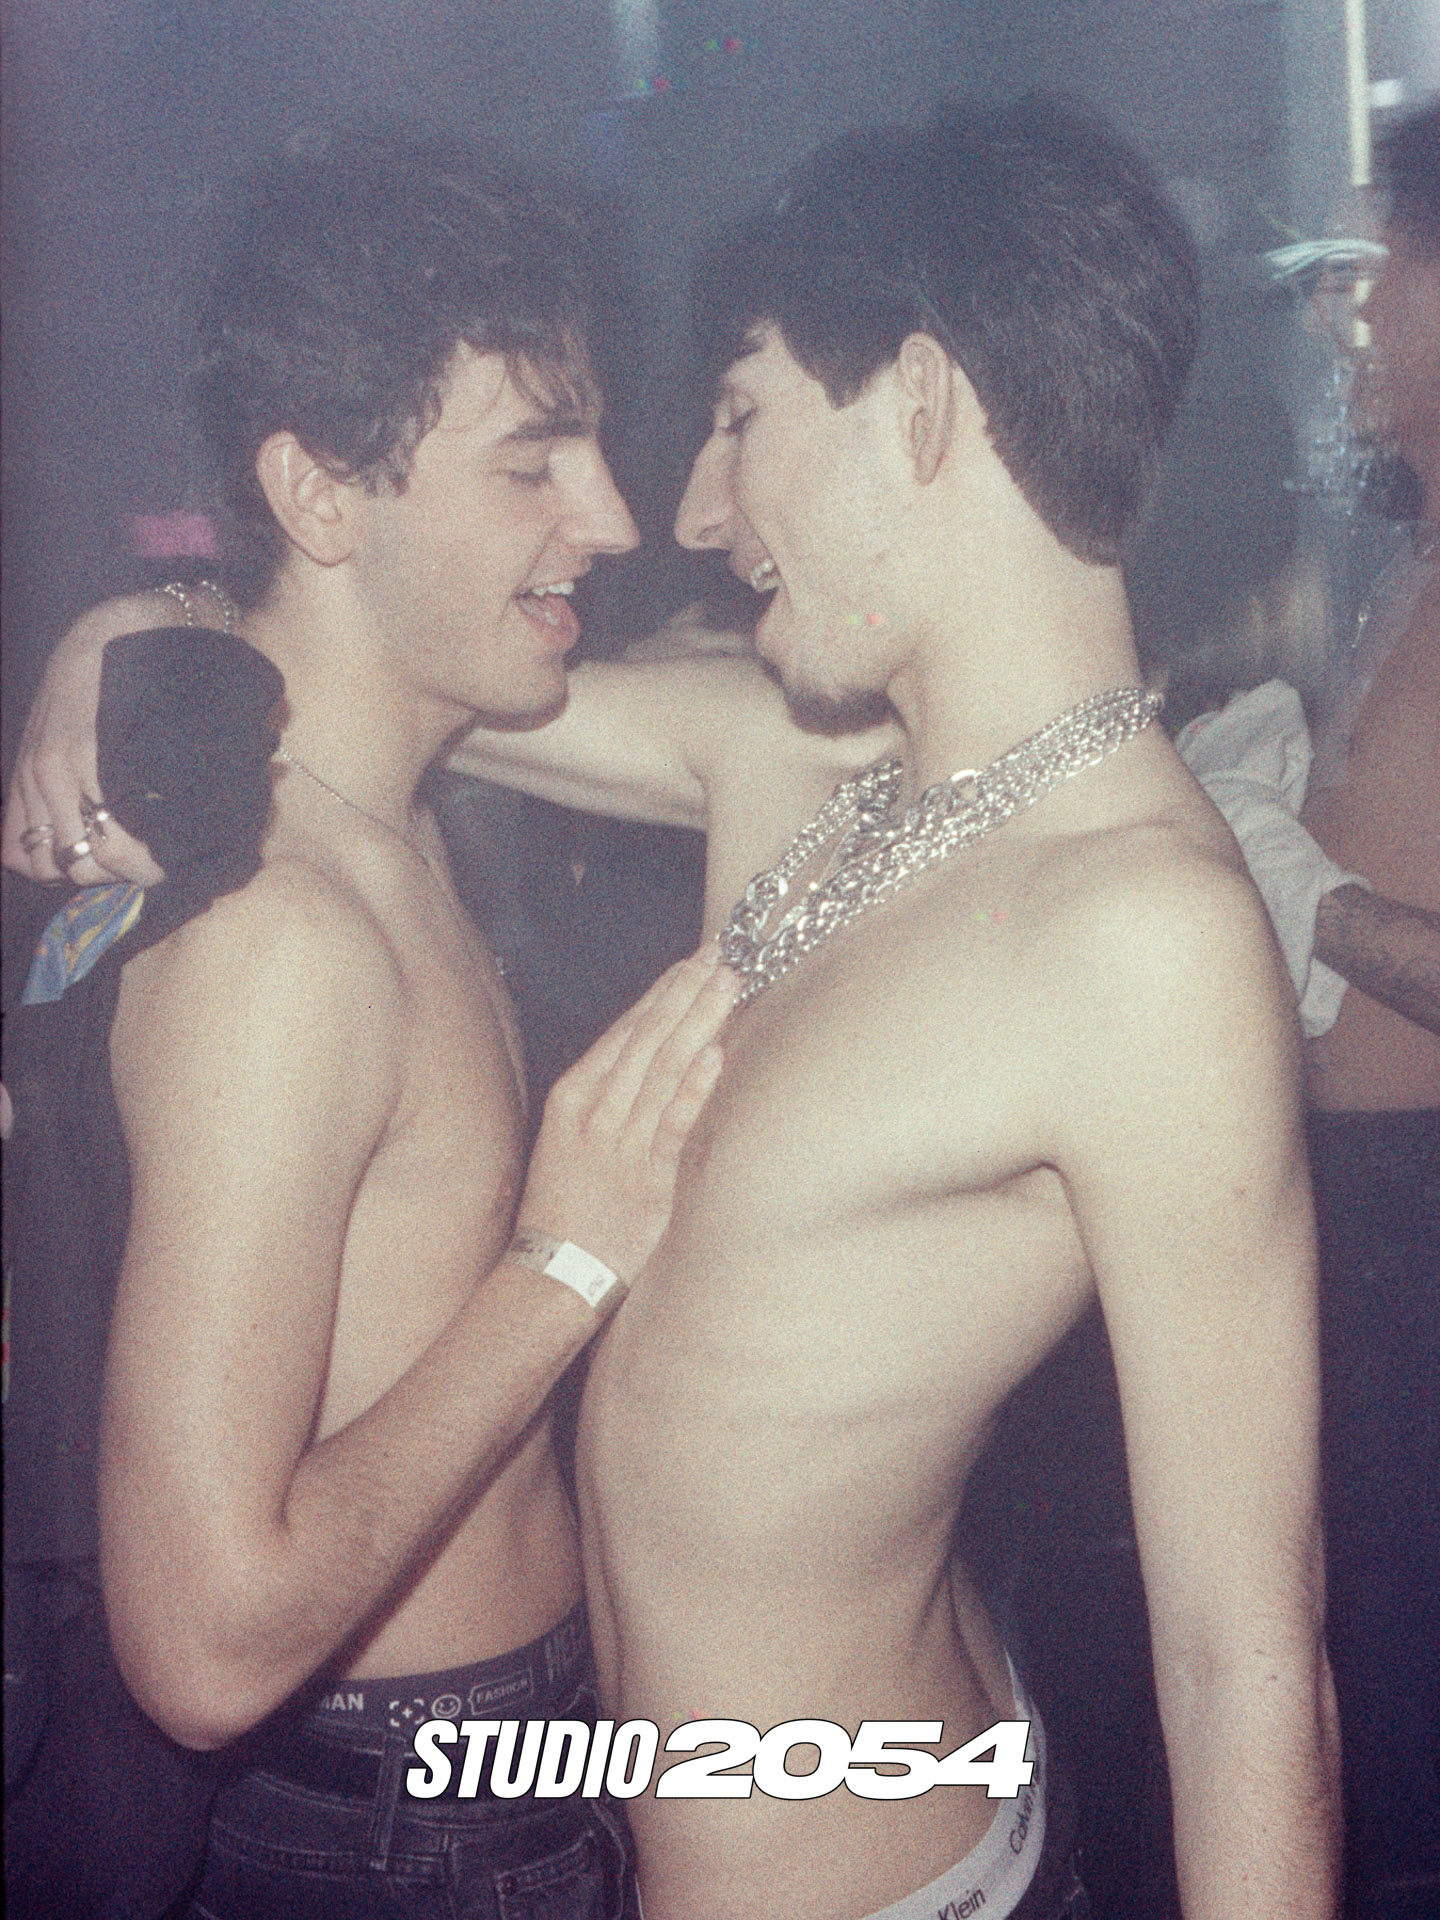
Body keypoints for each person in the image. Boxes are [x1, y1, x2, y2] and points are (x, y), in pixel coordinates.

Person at [6, 99, 1340, 1920]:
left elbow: (1244, 1656)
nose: (685, 515)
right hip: (585, 1823)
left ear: (920, 406)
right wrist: (130, 629)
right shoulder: (805, 766)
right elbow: (388, 649)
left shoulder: (1143, 938)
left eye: (737, 415)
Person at [1, 127, 737, 1920]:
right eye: (533, 461)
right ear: (323, 497)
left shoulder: (371, 817)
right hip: (398, 1834)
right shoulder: (286, 946)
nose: (615, 517)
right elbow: (205, 1640)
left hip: (473, 1784)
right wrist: (569, 1260)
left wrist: (138, 615)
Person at [1300, 99, 1440, 1919]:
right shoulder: (1412, 551)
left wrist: (1313, 899)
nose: (1355, 311)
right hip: (1371, 1218)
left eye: (1386, 264)